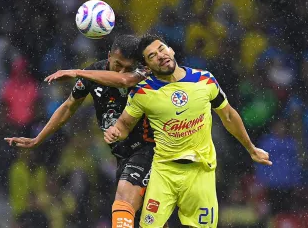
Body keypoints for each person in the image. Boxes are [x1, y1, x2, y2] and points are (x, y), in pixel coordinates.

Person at [102, 34, 273, 228]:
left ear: (171, 51)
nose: (160, 55)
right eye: (152, 56)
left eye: (161, 49)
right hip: (164, 172)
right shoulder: (142, 91)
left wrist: (251, 148)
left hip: (200, 171)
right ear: (147, 67)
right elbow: (124, 125)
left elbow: (228, 116)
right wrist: (115, 131)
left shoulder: (204, 80)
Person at [5, 35, 161, 228]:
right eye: (117, 64)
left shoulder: (142, 71)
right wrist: (38, 138)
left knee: (124, 199)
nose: (122, 70)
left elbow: (123, 80)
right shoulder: (93, 73)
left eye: (127, 67)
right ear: (108, 55)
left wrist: (77, 72)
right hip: (123, 154)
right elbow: (69, 106)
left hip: (150, 149)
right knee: (147, 218)